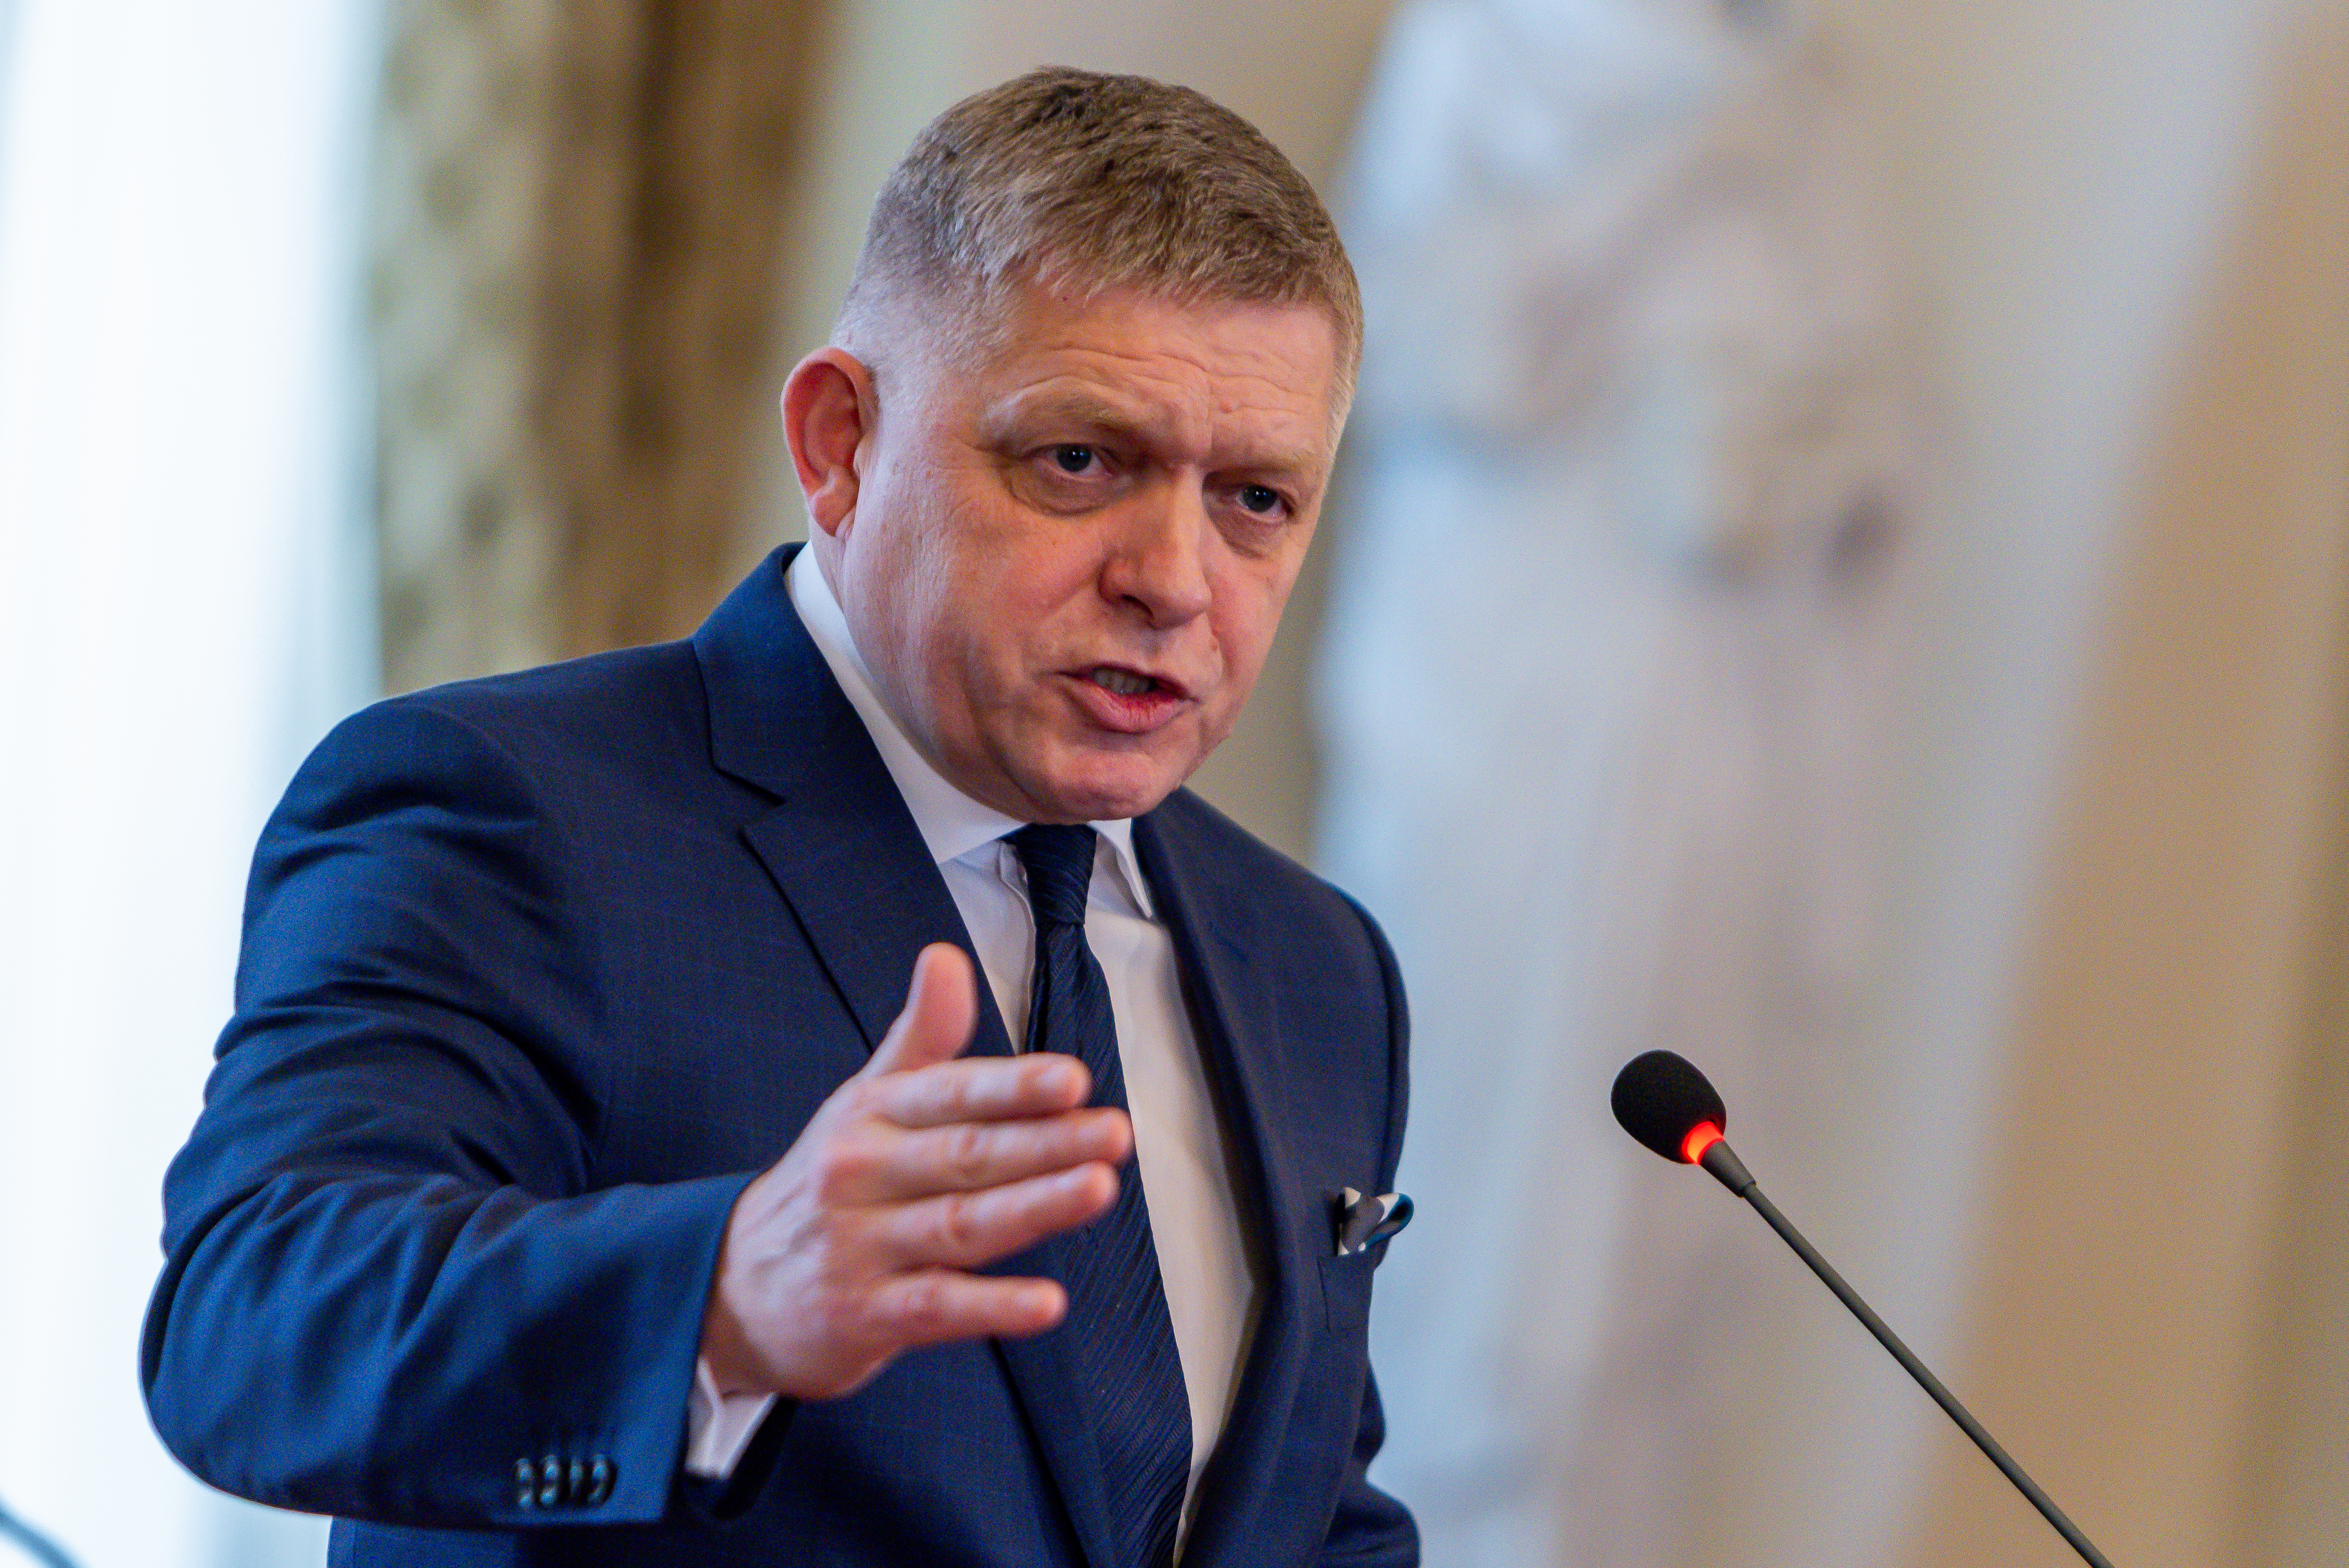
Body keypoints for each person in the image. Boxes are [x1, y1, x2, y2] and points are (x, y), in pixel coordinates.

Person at [141, 67, 1418, 1568]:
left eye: (1255, 499)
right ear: (839, 442)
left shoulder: (1315, 962)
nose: (1176, 580)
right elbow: (251, 1322)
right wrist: (726, 1295)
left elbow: (1301, 1511)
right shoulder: (511, 811)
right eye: (1079, 461)